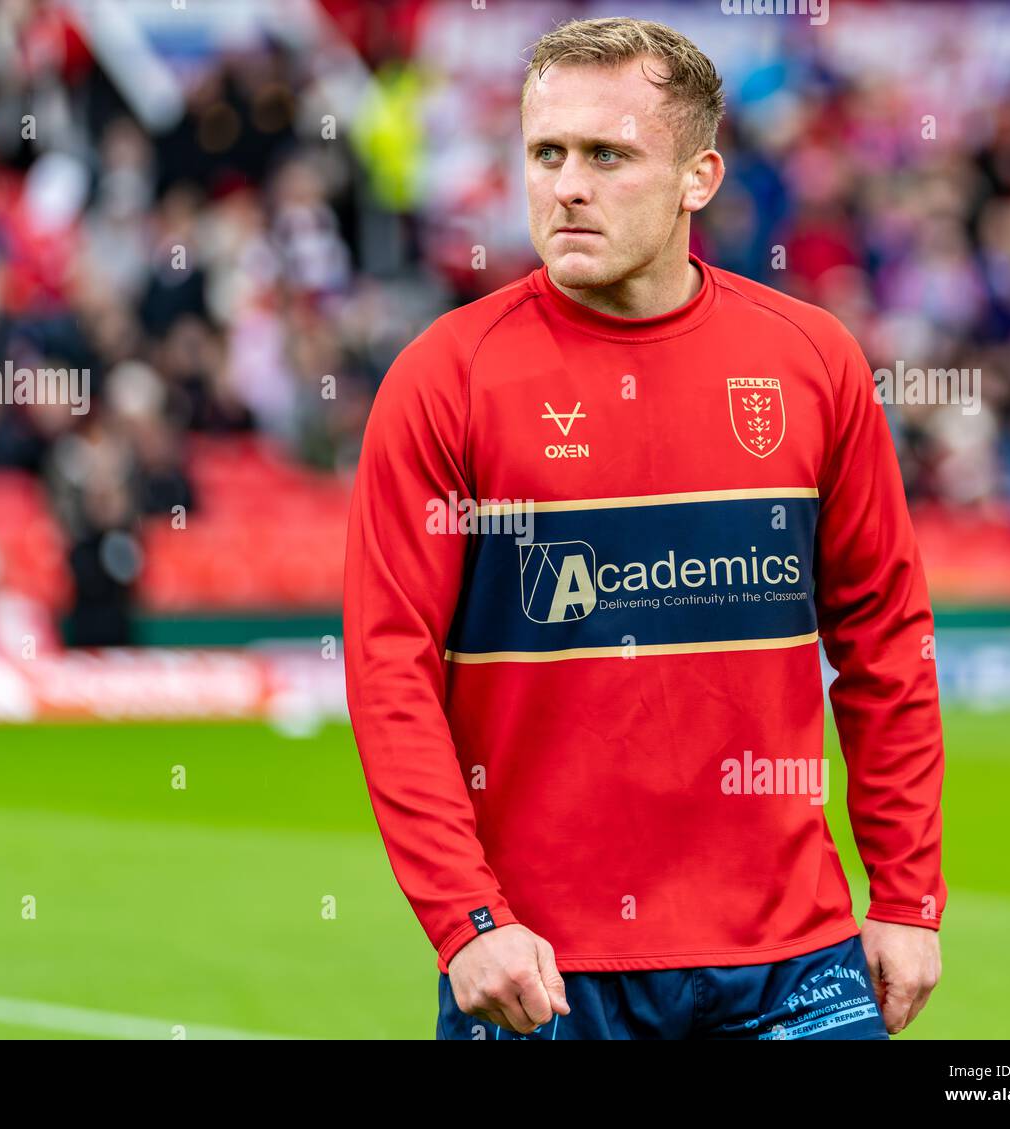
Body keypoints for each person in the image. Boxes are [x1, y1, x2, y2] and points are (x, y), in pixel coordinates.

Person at [342, 16, 945, 1041]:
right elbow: (390, 667)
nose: (566, 185)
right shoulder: (444, 380)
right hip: (544, 970)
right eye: (546, 153)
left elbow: (884, 638)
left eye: (607, 155)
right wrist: (464, 917)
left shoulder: (813, 361)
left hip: (795, 963)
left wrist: (904, 893)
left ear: (696, 178)